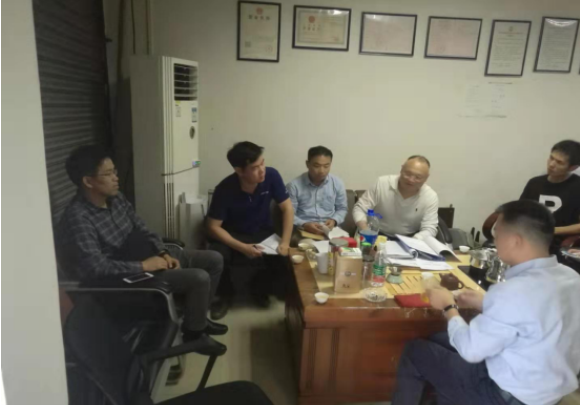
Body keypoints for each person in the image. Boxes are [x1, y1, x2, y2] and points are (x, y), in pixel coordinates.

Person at [392, 200, 580, 405]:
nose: (494, 241)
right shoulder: (571, 277)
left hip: (504, 395)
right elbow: (535, 316)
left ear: (515, 241)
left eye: (497, 234)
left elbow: (471, 350)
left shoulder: (513, 290)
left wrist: (448, 307)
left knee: (416, 351)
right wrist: (487, 302)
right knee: (439, 340)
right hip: (548, 391)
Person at [56, 145, 227, 348]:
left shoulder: (116, 198)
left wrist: (163, 252)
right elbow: (95, 267)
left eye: (115, 171)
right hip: (126, 276)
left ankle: (197, 319)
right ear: (88, 181)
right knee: (199, 277)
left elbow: (143, 229)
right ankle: (194, 335)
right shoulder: (78, 218)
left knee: (214, 259)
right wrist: (144, 266)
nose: (116, 178)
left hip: (147, 254)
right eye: (108, 174)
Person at [207, 142, 294, 318]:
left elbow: (287, 208)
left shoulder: (271, 175)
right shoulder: (224, 189)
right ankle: (225, 296)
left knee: (283, 258)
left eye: (262, 163)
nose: (262, 170)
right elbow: (212, 227)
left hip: (262, 231)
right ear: (239, 171)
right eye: (255, 167)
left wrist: (285, 242)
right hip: (233, 234)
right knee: (218, 256)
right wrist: (241, 247)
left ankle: (259, 287)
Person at [353, 155, 438, 239]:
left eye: (418, 177)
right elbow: (360, 209)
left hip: (410, 238)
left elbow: (430, 228)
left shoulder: (430, 196)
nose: (411, 180)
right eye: (408, 174)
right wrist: (366, 231)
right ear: (401, 169)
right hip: (375, 233)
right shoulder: (382, 183)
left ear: (426, 178)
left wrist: (414, 241)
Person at [520, 140, 580, 243]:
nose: (551, 164)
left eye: (559, 162)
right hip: (530, 238)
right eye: (551, 158)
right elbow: (520, 213)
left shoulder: (577, 187)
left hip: (559, 242)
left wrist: (552, 230)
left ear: (572, 167)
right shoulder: (534, 183)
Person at [286, 146, 348, 236]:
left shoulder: (338, 183)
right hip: (304, 230)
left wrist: (334, 220)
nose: (322, 171)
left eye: (326, 166)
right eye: (316, 166)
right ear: (307, 164)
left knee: (346, 243)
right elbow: (289, 214)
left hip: (330, 230)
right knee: (306, 244)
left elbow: (342, 209)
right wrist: (304, 224)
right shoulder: (294, 186)